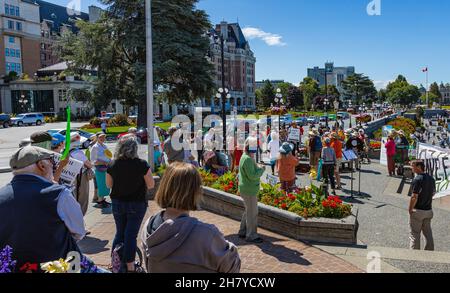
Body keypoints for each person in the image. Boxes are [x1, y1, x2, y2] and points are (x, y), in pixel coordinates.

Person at [141, 163, 241, 273]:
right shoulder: (207, 235)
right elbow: (232, 266)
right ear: (194, 192)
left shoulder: (148, 227)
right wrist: (228, 247)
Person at [0, 146, 86, 271]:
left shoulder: (2, 195)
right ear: (42, 166)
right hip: (57, 266)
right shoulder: (59, 194)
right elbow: (79, 231)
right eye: (52, 163)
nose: (54, 167)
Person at [106, 135, 155, 273]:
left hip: (117, 203)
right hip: (136, 204)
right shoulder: (141, 164)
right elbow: (151, 185)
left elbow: (108, 184)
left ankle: (115, 263)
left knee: (120, 233)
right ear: (135, 149)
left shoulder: (112, 164)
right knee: (130, 235)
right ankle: (130, 266)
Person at [238, 137, 265, 243]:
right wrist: (261, 170)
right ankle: (251, 235)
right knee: (252, 213)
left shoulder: (245, 156)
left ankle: (243, 231)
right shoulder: (248, 159)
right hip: (249, 189)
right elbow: (252, 176)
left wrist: (258, 167)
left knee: (248, 211)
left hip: (247, 188)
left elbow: (251, 170)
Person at [409, 160, 435, 251]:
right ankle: (429, 252)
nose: (412, 168)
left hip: (418, 210)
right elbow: (433, 193)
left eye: (413, 166)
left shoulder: (417, 179)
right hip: (429, 210)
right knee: (428, 233)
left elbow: (414, 196)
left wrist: (410, 209)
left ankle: (414, 255)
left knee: (415, 234)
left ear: (419, 167)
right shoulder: (431, 179)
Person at [69, 132, 94, 216]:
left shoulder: (65, 151)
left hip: (71, 177)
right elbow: (89, 164)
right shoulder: (77, 152)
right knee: (82, 199)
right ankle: (80, 219)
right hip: (80, 177)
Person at [90, 132, 112, 208]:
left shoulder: (104, 145)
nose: (102, 138)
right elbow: (93, 161)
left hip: (106, 167)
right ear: (97, 138)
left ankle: (102, 200)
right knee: (101, 185)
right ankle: (100, 201)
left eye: (104, 137)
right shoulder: (95, 147)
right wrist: (104, 162)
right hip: (100, 168)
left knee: (105, 185)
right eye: (100, 137)